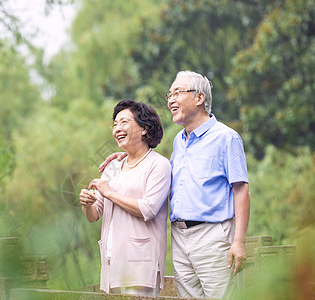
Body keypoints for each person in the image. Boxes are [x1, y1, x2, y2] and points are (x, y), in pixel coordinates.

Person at [98, 71, 251, 299]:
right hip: (179, 238)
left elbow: (242, 190)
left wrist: (238, 242)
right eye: (169, 94)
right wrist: (125, 155)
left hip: (213, 235)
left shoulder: (226, 138)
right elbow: (150, 168)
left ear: (199, 98)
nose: (170, 99)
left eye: (177, 93)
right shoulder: (180, 141)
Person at [80, 99, 171, 295]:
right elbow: (94, 215)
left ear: (145, 128)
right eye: (114, 124)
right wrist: (87, 203)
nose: (117, 129)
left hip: (141, 263)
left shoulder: (159, 165)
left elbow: (148, 209)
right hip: (112, 260)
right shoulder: (112, 166)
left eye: (124, 122)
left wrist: (109, 193)